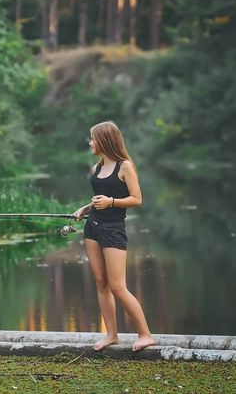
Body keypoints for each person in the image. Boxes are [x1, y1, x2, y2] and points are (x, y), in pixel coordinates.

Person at [73, 121, 155, 352]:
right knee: (101, 283)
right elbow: (99, 198)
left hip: (113, 229)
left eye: (93, 138)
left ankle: (145, 334)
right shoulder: (96, 168)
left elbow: (136, 198)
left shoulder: (125, 166)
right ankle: (112, 335)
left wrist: (111, 202)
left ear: (104, 140)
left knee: (118, 286)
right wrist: (85, 208)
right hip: (92, 228)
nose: (90, 142)